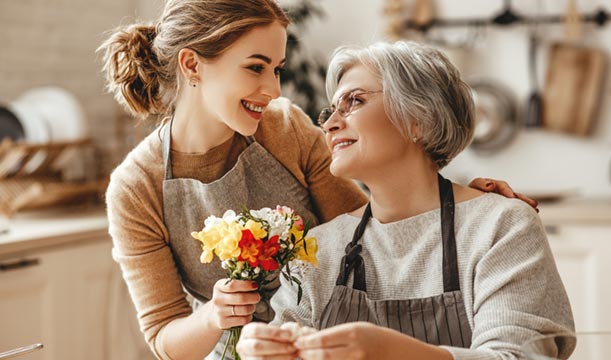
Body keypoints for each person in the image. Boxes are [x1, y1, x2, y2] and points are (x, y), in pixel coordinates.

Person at [98, 1, 538, 359]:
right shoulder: (136, 187)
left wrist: (463, 203)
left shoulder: (283, 127)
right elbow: (162, 336)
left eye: (277, 68)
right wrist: (218, 314)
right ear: (192, 65)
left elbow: (372, 222)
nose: (273, 89)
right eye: (255, 67)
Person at [236, 41, 575, 360]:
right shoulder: (318, 248)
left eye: (354, 101)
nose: (331, 125)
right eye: (331, 111)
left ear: (419, 118)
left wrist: (393, 352)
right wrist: (261, 351)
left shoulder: (500, 227)